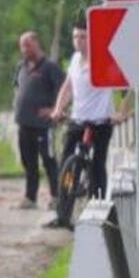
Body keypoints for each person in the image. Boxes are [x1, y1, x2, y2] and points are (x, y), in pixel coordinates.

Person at [50, 22, 123, 205]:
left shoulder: (103, 60)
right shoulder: (75, 59)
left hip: (101, 120)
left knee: (98, 165)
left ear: (91, 39)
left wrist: (120, 112)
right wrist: (58, 108)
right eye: (75, 37)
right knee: (66, 161)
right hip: (78, 118)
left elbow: (122, 85)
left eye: (83, 37)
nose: (78, 41)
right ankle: (63, 204)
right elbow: (68, 87)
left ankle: (97, 206)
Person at [12, 31, 65, 209]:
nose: (24, 49)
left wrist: (54, 109)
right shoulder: (21, 67)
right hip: (24, 122)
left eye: (27, 44)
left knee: (49, 160)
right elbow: (17, 88)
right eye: (22, 46)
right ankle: (30, 197)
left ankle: (56, 197)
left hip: (43, 125)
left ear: (36, 43)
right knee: (29, 161)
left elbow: (64, 90)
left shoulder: (50, 67)